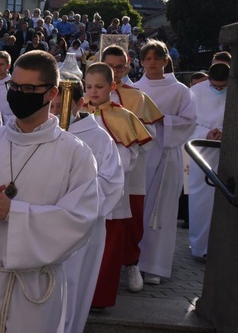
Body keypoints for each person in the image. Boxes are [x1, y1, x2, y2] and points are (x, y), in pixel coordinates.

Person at [0, 51, 99, 333]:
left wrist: (13, 212)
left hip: (37, 287)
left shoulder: (75, 154)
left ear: (51, 93)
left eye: (28, 89)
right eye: (14, 87)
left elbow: (79, 220)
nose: (18, 93)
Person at [49, 74, 122, 333]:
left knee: (74, 285)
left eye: (62, 106)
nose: (56, 112)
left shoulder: (99, 138)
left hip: (83, 228)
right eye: (52, 106)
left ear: (80, 103)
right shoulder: (43, 132)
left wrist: (72, 202)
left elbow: (110, 183)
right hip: (47, 225)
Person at [82, 63, 152, 311]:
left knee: (108, 248)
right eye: (88, 86)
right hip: (80, 190)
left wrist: (102, 172)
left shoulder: (124, 117)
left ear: (112, 87)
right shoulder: (76, 113)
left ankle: (99, 298)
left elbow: (129, 157)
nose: (93, 92)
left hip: (112, 193)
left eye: (99, 87)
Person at [132, 40, 196, 285]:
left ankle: (155, 265)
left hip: (167, 153)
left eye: (156, 58)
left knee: (161, 211)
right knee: (138, 208)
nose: (151, 63)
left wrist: (162, 120)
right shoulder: (136, 89)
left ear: (165, 60)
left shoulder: (179, 90)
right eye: (147, 58)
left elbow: (189, 120)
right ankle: (133, 260)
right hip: (140, 154)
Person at [101, 45, 163, 292]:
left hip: (131, 170)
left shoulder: (138, 97)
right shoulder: (90, 95)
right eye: (110, 67)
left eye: (119, 67)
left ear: (127, 67)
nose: (115, 72)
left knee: (132, 217)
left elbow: (152, 134)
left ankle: (132, 262)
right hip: (97, 170)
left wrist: (128, 145)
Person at [188, 63, 228, 258]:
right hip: (202, 150)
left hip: (227, 151)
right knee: (201, 201)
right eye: (215, 86)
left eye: (223, 87)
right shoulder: (195, 92)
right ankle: (200, 247)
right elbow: (187, 123)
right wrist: (206, 133)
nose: (219, 90)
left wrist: (225, 132)